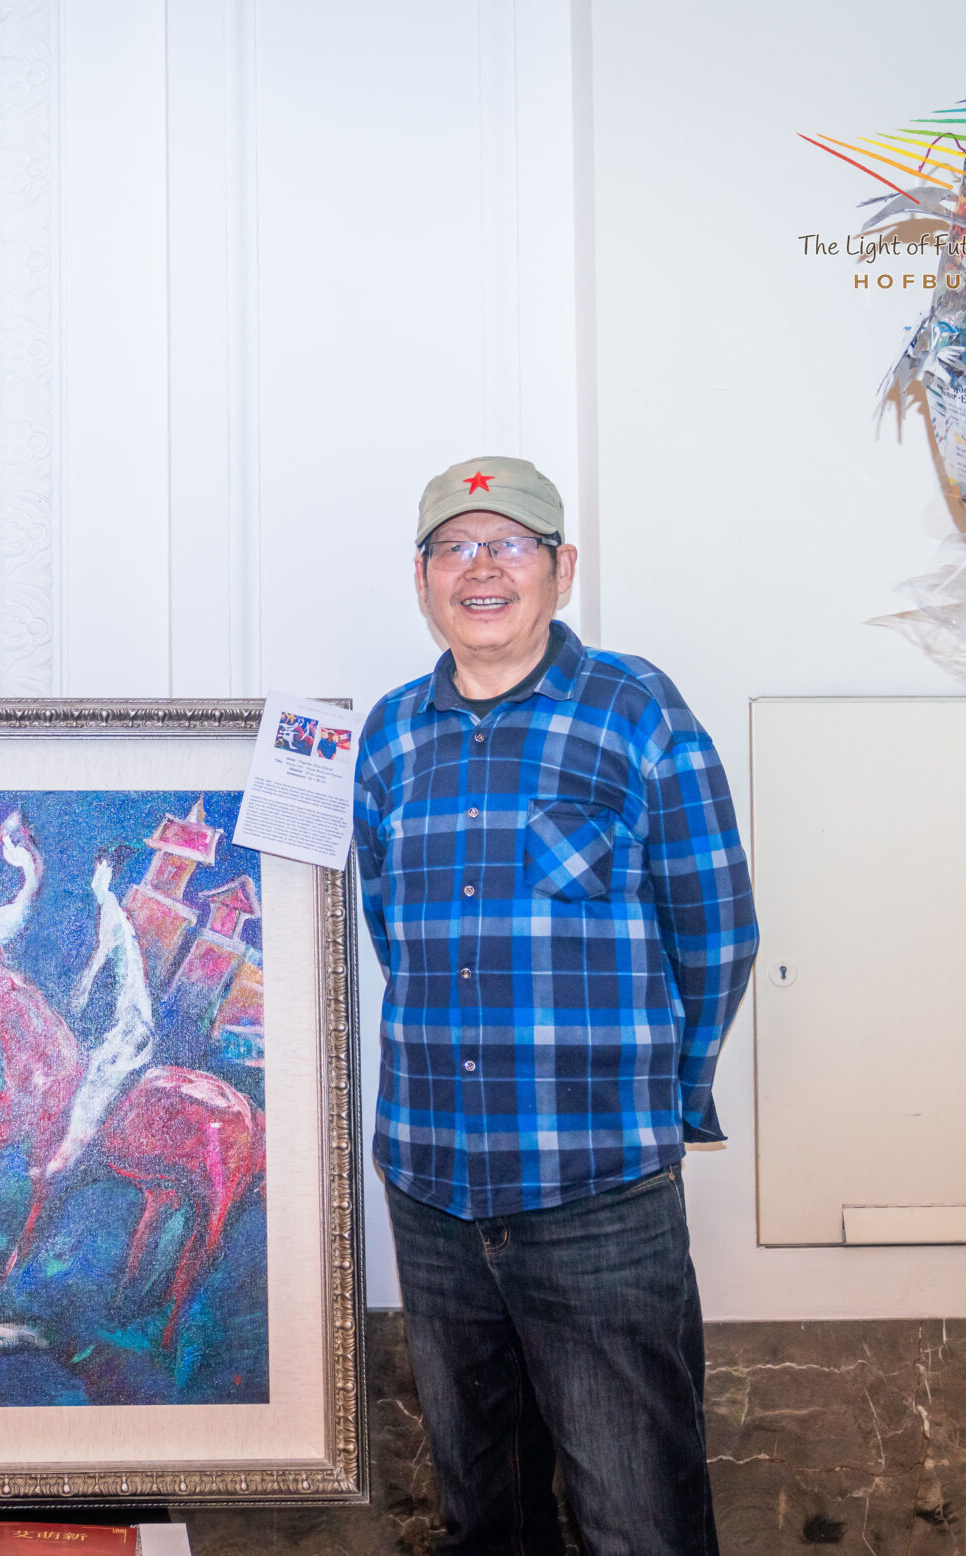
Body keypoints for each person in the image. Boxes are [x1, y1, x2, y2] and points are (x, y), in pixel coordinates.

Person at [352, 457, 757, 1555]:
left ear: (560, 568)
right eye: (453, 547)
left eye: (509, 544)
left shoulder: (635, 709)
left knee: (639, 1517)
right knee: (485, 1516)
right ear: (423, 579)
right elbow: (394, 932)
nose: (480, 568)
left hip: (597, 1195)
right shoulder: (389, 736)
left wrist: (662, 1103)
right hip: (433, 1189)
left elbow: (717, 929)